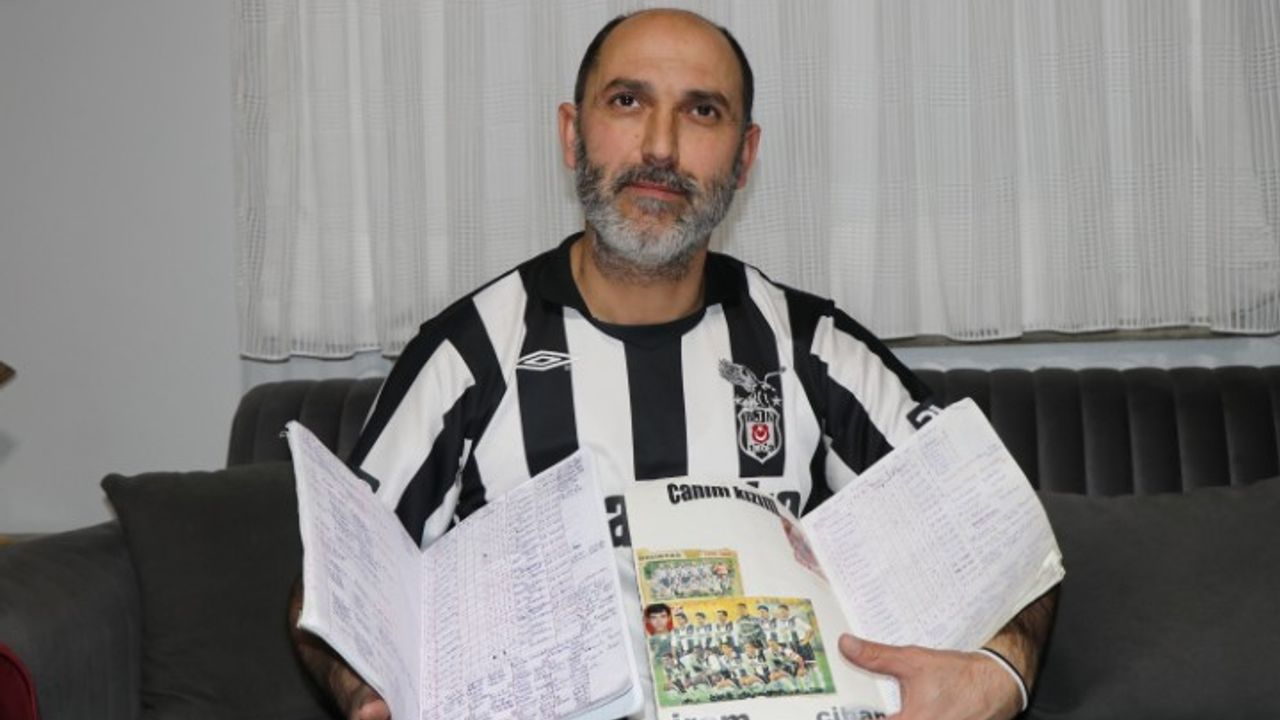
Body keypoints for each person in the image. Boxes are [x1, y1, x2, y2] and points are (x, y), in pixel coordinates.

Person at [290, 8, 1056, 720]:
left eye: (702, 111)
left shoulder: (811, 349)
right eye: (627, 102)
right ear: (572, 135)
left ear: (745, 155)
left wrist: (1000, 674)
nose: (660, 147)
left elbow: (1003, 539)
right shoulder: (470, 355)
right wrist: (368, 695)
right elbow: (336, 588)